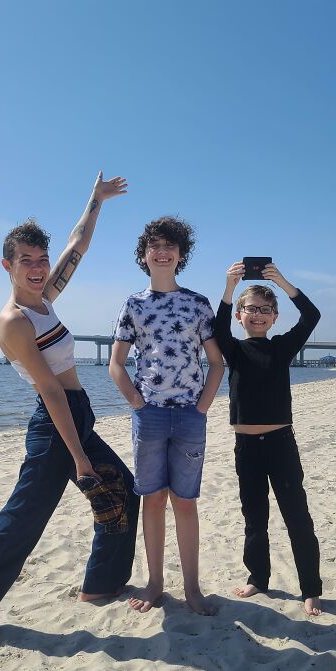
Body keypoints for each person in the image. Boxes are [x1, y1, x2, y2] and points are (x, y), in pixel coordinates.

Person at [0, 172, 138, 648]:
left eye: (42, 260)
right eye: (28, 261)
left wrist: (95, 199)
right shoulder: (14, 322)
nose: (40, 267)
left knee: (121, 487)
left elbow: (77, 244)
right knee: (20, 522)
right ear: (8, 265)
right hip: (56, 427)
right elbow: (49, 390)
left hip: (76, 414)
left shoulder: (44, 300)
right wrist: (80, 459)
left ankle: (102, 584)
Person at [109, 217, 224, 615]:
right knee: (153, 500)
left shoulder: (197, 303)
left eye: (170, 246)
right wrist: (138, 405)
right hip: (150, 416)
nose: (162, 252)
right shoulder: (134, 305)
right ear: (144, 256)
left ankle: (192, 588)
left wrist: (203, 407)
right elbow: (116, 365)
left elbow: (216, 363)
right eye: (154, 246)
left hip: (190, 417)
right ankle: (155, 582)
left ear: (180, 255)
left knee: (185, 502)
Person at [215, 261, 324, 616]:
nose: (258, 316)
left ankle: (310, 588)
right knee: (254, 516)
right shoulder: (233, 350)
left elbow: (311, 316)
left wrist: (283, 282)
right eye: (251, 310)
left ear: (275, 316)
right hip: (246, 448)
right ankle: (258, 578)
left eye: (265, 310)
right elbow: (216, 328)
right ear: (240, 316)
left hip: (280, 444)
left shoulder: (281, 348)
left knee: (297, 516)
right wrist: (230, 289)